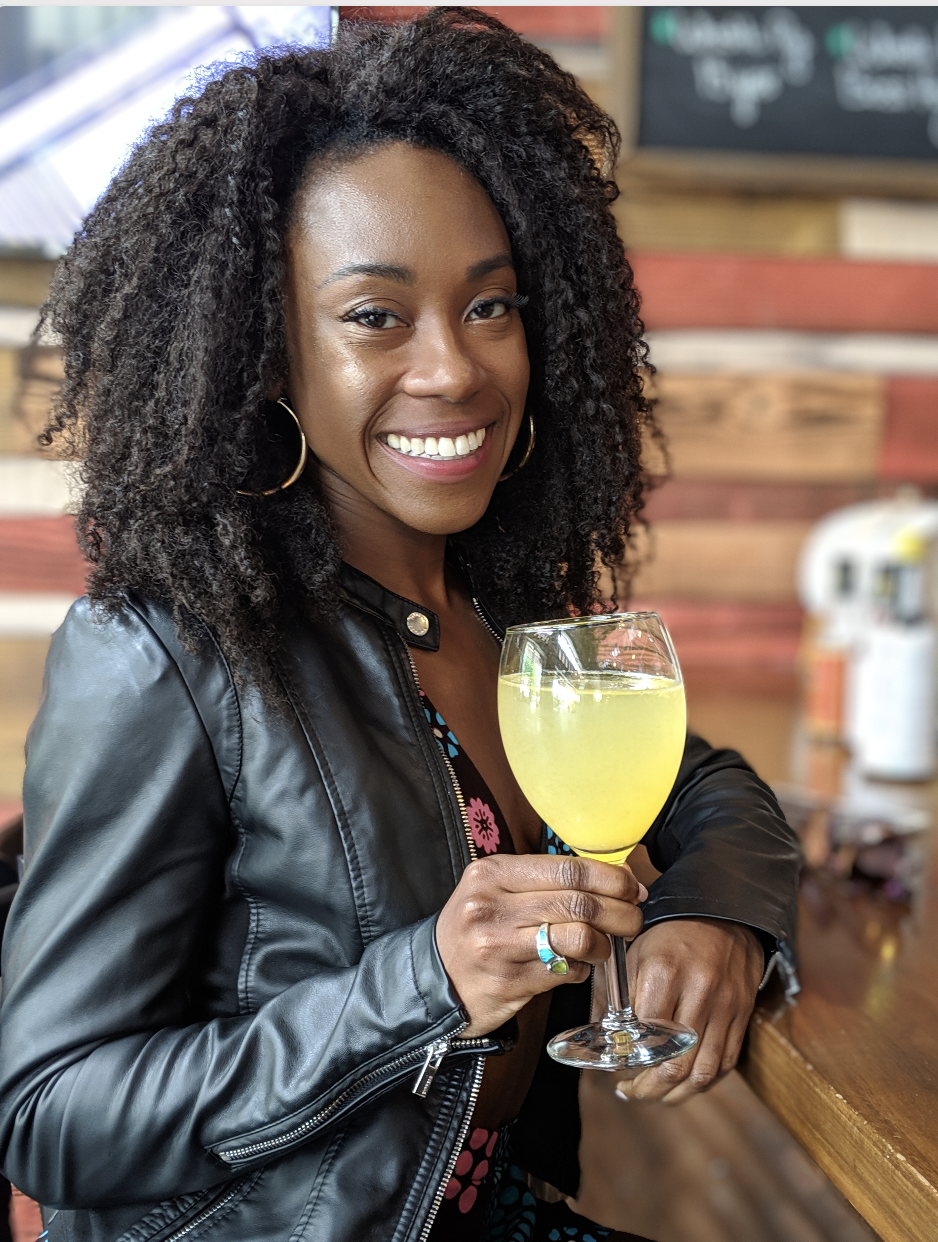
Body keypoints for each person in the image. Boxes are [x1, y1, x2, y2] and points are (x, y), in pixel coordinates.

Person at [0, 11, 800, 1242]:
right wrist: (421, 985)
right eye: (374, 317)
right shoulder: (166, 651)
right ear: (269, 353)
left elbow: (703, 785)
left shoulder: (501, 614)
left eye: (491, 307)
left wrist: (720, 912)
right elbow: (55, 1112)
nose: (454, 369)